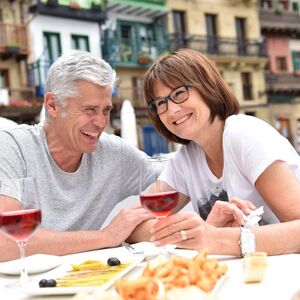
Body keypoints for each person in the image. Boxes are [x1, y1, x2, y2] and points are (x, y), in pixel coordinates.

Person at [140, 48, 300, 255]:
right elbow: (136, 224)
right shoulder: (185, 159)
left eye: (179, 93)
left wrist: (215, 238)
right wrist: (197, 232)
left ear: (207, 87)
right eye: (160, 103)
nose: (171, 110)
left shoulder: (244, 133)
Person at [0, 51, 157, 262]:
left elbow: (172, 178)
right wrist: (105, 236)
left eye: (106, 110)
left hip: (87, 282)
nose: (101, 122)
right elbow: (5, 243)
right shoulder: (12, 147)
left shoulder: (115, 154)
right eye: (90, 110)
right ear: (53, 105)